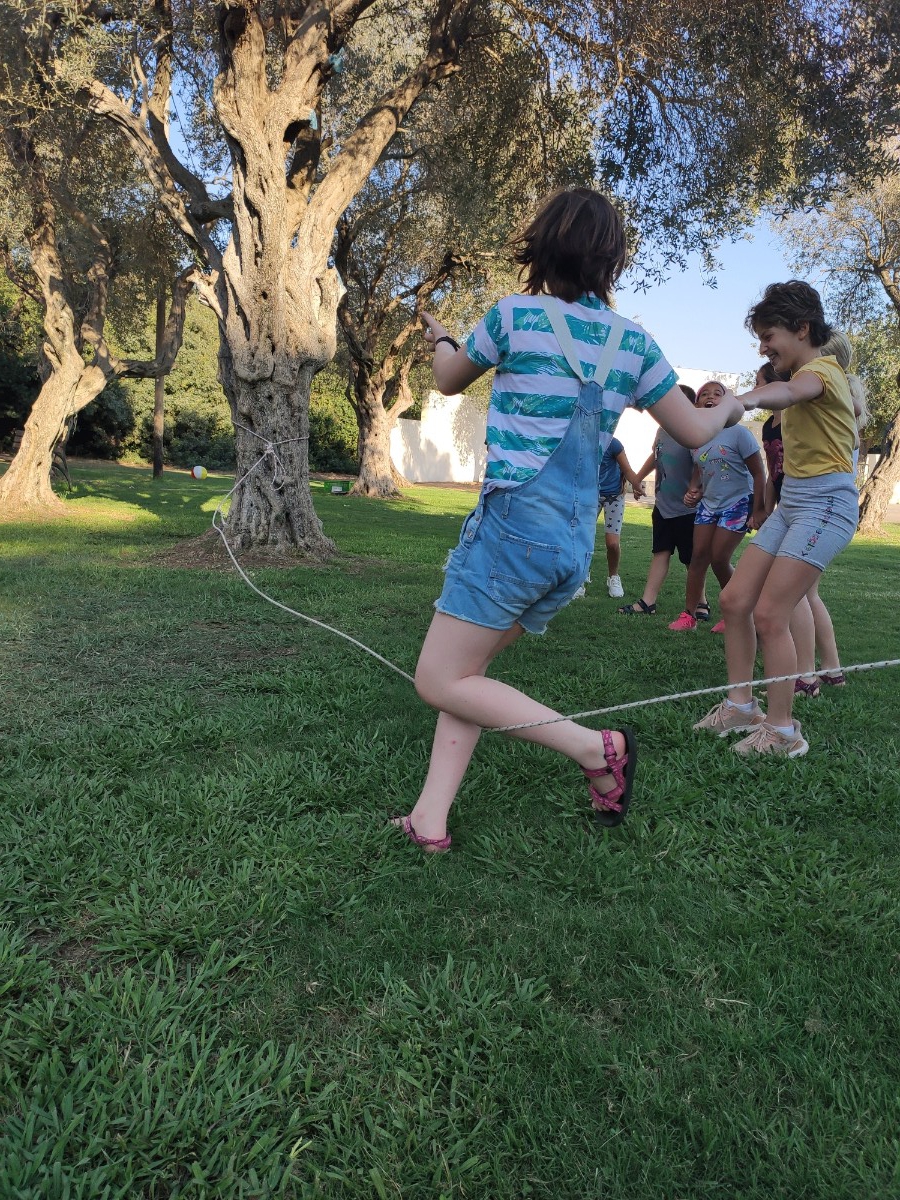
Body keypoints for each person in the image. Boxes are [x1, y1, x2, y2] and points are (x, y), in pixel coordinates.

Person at [394, 187, 745, 851]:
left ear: (542, 245)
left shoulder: (513, 317)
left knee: (439, 679)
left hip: (512, 532)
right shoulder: (633, 342)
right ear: (609, 263)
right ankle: (429, 819)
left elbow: (446, 378)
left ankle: (596, 748)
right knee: (468, 679)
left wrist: (440, 335)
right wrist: (738, 404)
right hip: (568, 546)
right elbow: (700, 427)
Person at [693, 280, 859, 756]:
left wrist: (743, 400)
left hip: (828, 506)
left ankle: (783, 731)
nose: (763, 346)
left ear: (802, 328)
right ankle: (741, 706)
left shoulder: (823, 370)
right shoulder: (801, 376)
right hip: (794, 505)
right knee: (735, 599)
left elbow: (789, 392)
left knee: (771, 612)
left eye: (769, 336)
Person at [787, 331, 869, 695]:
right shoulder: (842, 406)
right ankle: (831, 667)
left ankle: (806, 674)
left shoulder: (833, 404)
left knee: (797, 595)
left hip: (820, 509)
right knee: (808, 594)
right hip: (812, 508)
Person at [667, 381, 765, 632]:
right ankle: (688, 616)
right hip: (709, 505)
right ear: (697, 404)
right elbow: (700, 470)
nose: (710, 397)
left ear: (727, 403)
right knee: (698, 557)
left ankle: (738, 613)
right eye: (704, 395)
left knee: (720, 558)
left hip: (738, 503)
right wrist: (693, 490)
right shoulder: (697, 437)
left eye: (717, 394)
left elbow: (758, 473)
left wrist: (758, 509)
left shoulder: (739, 433)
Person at [617, 385, 710, 618]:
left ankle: (701, 602)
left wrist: (696, 490)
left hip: (688, 509)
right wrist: (637, 477)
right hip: (663, 506)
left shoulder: (694, 433)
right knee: (660, 551)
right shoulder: (662, 430)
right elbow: (655, 455)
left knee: (692, 560)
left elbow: (703, 465)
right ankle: (648, 602)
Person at [597, 436, 646, 598]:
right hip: (590, 495)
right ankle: (581, 578)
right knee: (584, 539)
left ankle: (613, 577)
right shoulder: (584, 441)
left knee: (612, 543)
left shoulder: (613, 443)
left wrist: (637, 485)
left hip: (614, 496)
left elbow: (627, 470)